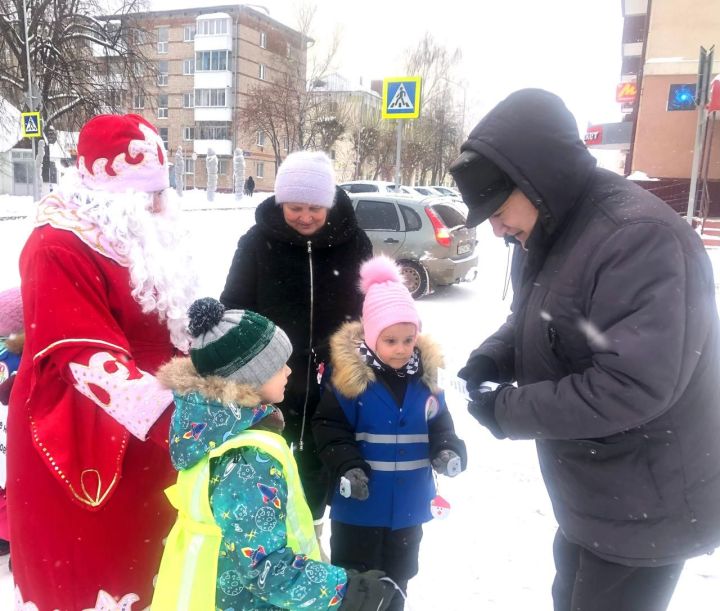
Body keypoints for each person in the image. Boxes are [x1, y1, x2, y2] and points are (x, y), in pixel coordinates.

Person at [448, 88, 720, 611]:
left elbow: (632, 387)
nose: (498, 227)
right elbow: (539, 319)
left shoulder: (636, 239)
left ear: (535, 181)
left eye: (499, 209)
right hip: (598, 495)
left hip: (646, 507)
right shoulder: (551, 231)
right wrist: (493, 355)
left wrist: (507, 409)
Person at [7, 113, 197, 609]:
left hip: (162, 429)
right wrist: (189, 425)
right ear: (110, 196)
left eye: (162, 191)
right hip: (91, 432)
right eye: (147, 195)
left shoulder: (143, 236)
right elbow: (86, 360)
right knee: (104, 573)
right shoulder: (57, 245)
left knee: (163, 571)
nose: (159, 204)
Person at [153, 297, 396, 611]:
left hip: (213, 590)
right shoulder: (248, 458)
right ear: (248, 378)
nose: (288, 370)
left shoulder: (209, 433)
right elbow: (263, 567)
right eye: (277, 365)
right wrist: (348, 591)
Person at [220, 151, 373, 546]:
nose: (305, 216)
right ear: (280, 202)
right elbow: (235, 305)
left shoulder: (353, 242)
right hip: (272, 380)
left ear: (329, 203)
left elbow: (369, 304)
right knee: (268, 460)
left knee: (323, 459)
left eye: (315, 208)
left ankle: (311, 541)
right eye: (295, 207)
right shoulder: (256, 243)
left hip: (333, 377)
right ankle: (271, 546)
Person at [313, 256, 467, 610]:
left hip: (410, 508)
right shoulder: (351, 382)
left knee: (399, 576)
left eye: (408, 339)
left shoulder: (427, 382)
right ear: (371, 336)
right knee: (356, 579)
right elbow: (329, 427)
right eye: (390, 340)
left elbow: (440, 423)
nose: (401, 348)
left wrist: (447, 449)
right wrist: (346, 464)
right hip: (360, 507)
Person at [0, 286, 23, 558]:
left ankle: (19, 540)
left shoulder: (25, 351)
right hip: (5, 426)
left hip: (17, 425)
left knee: (16, 485)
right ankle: (9, 537)